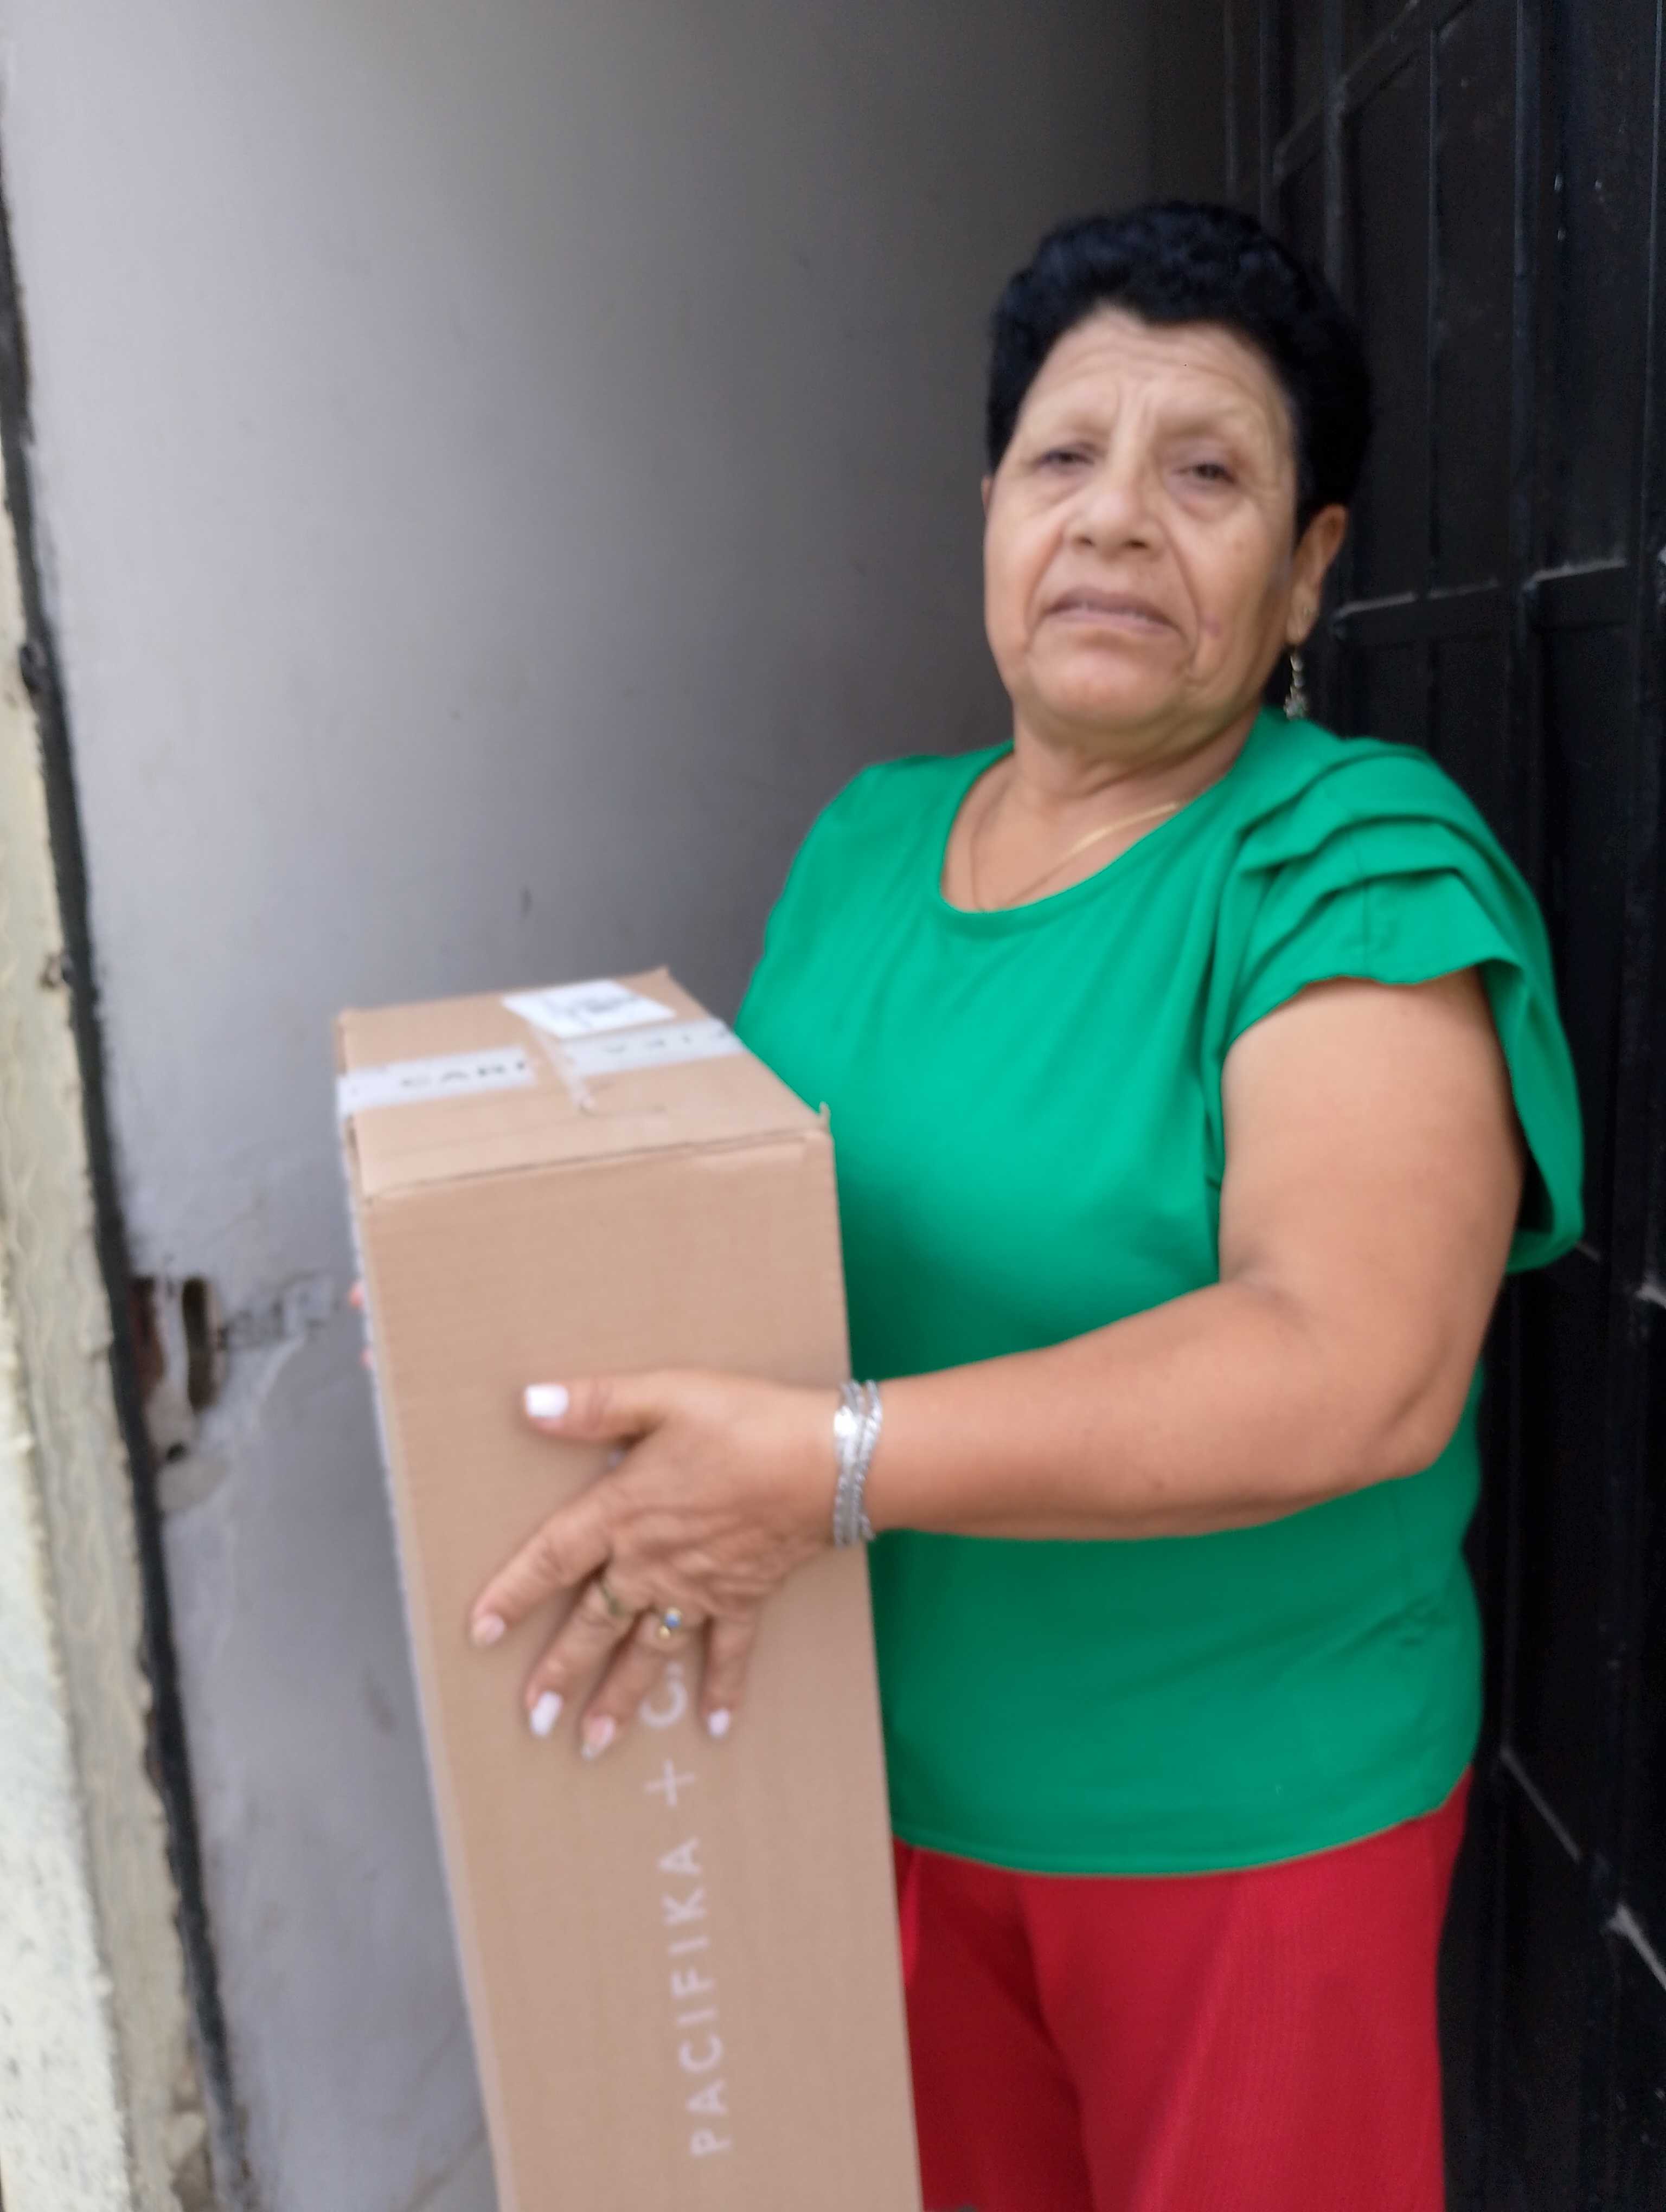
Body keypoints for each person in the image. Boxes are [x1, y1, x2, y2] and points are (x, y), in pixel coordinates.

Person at [466, 203, 1582, 2211]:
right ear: (992, 511)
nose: (1118, 519)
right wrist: (506, 1311)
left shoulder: (1351, 864)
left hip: (1236, 1830)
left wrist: (830, 1467)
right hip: (868, 1783)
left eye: (1209, 473)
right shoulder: (871, 838)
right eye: (1065, 456)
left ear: (1310, 565)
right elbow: (766, 1225)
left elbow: (1352, 1364)